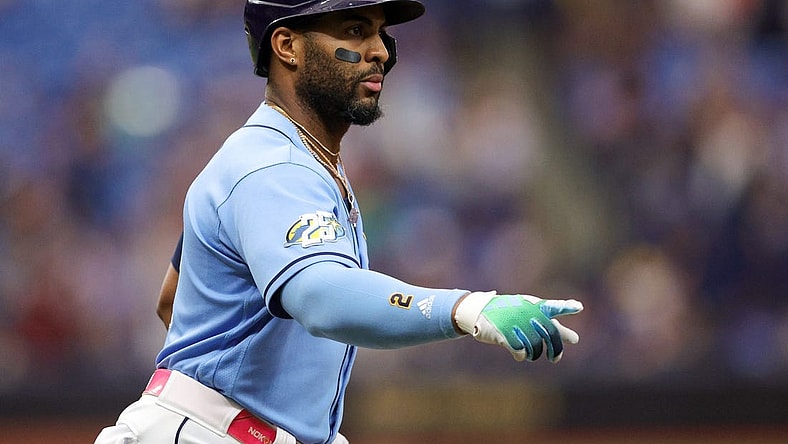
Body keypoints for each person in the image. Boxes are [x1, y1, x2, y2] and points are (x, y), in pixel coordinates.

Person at [96, 1, 583, 443]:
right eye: (353, 30)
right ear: (287, 45)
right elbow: (319, 298)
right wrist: (464, 308)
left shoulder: (290, 160)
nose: (379, 53)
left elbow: (173, 300)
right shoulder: (275, 167)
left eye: (381, 35)